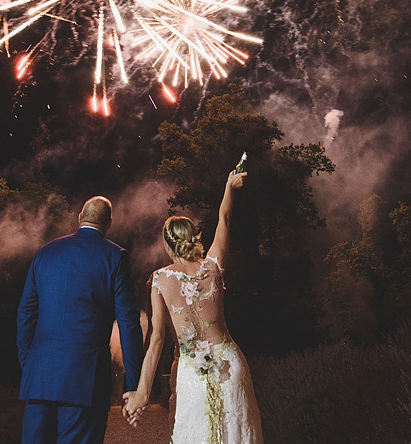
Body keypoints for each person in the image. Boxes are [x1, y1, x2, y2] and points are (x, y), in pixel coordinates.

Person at [124, 170, 263, 443]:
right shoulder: (213, 265)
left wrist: (141, 394)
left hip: (192, 373)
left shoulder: (160, 280)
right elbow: (224, 219)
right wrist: (229, 187)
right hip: (228, 364)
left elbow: (157, 341)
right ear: (193, 237)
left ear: (167, 245)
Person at [17, 196, 144, 444]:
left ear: (79, 217)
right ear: (109, 223)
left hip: (40, 378)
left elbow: (25, 314)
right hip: (85, 379)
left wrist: (29, 363)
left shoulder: (45, 253)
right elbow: (128, 322)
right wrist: (133, 382)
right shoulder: (115, 257)